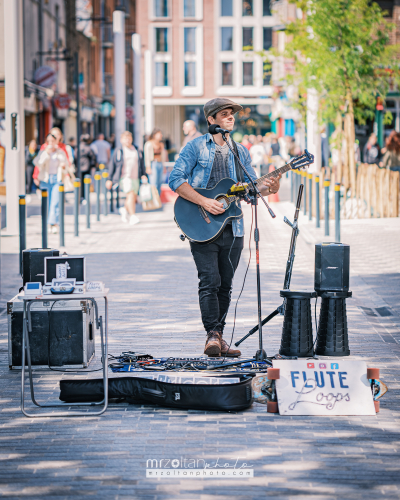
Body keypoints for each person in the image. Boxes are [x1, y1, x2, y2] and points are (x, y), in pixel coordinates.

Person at [169, 98, 281, 358]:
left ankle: (217, 337)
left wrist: (269, 187)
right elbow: (175, 179)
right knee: (209, 281)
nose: (231, 118)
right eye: (225, 114)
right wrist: (205, 201)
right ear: (211, 120)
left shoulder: (240, 151)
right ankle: (212, 334)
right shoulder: (196, 147)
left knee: (225, 285)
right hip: (200, 224)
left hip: (233, 227)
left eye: (232, 114)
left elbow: (252, 186)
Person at [107, 131, 146, 225]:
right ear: (121, 140)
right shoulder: (119, 150)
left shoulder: (137, 149)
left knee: (132, 196)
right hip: (124, 177)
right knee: (131, 194)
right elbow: (112, 165)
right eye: (125, 138)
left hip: (136, 177)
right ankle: (133, 216)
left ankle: (124, 209)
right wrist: (109, 179)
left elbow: (141, 164)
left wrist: (144, 174)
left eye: (129, 138)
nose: (128, 140)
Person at [34, 133, 70, 233]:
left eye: (52, 141)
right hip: (45, 180)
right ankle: (48, 223)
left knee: (55, 202)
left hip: (56, 179)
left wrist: (63, 166)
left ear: (56, 142)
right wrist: (46, 154)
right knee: (47, 202)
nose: (50, 143)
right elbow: (38, 164)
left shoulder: (60, 152)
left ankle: (53, 223)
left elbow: (66, 165)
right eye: (48, 141)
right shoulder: (43, 152)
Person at [144, 129, 165, 195]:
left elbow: (163, 156)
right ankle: (153, 202)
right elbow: (147, 156)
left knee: (159, 184)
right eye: (159, 134)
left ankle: (157, 202)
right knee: (153, 184)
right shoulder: (149, 144)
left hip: (160, 164)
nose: (161, 135)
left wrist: (164, 166)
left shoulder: (161, 144)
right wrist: (148, 167)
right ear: (154, 135)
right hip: (153, 164)